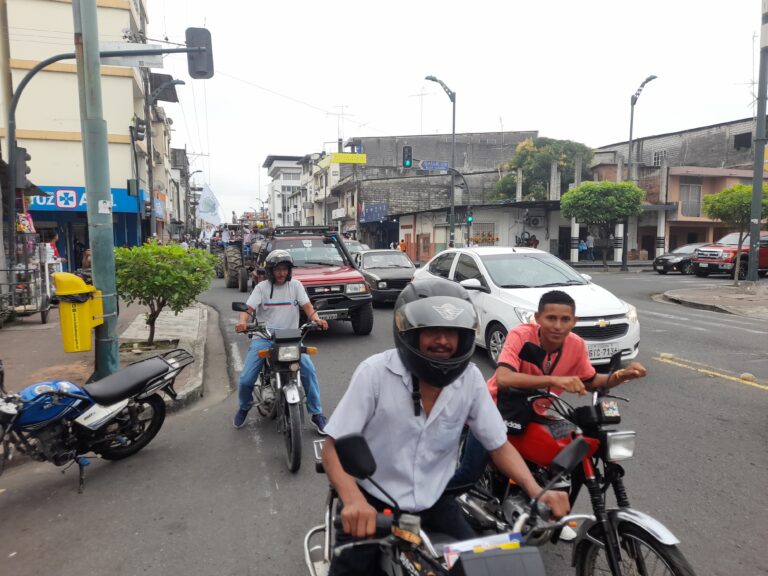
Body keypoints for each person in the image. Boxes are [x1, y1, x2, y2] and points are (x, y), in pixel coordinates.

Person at [322, 278, 570, 575]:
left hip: (436, 501)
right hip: (372, 505)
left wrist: (535, 489)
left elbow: (498, 445)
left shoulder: (471, 379)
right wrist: (352, 501)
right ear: (410, 334)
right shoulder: (375, 373)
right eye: (431, 331)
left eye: (452, 332)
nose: (443, 340)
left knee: (486, 569)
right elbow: (333, 447)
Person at [452, 290, 647, 488]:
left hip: (534, 412)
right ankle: (435, 502)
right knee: (469, 475)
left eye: (565, 319)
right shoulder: (521, 335)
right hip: (493, 409)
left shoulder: (576, 345)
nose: (558, 326)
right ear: (538, 318)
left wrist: (620, 376)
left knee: (561, 452)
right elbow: (503, 378)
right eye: (551, 318)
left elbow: (592, 380)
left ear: (574, 321)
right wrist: (557, 380)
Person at [233, 249, 330, 433]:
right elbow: (248, 309)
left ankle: (317, 414)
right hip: (265, 336)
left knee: (308, 371)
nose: (281, 273)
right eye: (277, 269)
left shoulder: (296, 286)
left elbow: (308, 308)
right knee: (246, 379)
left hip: (291, 337)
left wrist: (317, 319)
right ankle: (244, 406)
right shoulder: (261, 288)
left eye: (285, 269)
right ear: (270, 271)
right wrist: (242, 322)